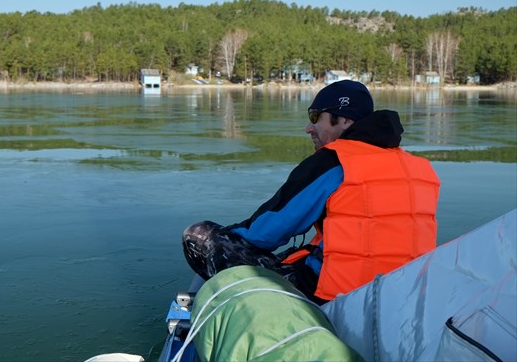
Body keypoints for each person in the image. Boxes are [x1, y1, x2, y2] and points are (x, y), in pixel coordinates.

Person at [182, 80, 440, 304]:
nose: (309, 127)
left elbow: (266, 233)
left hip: (334, 295)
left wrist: (227, 235)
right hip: (404, 291)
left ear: (345, 120)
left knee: (199, 237)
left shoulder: (334, 161)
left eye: (317, 116)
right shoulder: (418, 168)